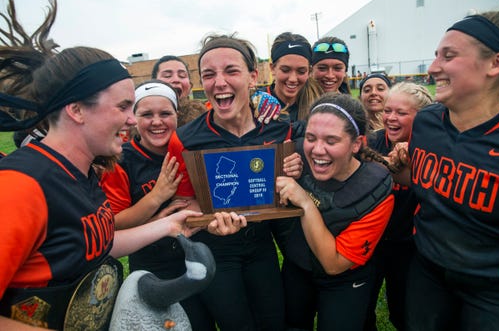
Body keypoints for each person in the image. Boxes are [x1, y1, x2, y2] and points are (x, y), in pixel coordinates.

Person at [0, 0, 243, 330]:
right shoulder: (20, 186)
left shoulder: (82, 173)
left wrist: (168, 226)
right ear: (76, 109)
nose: (133, 119)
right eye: (124, 107)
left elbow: (95, 244)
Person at [389, 11, 499, 330]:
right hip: (428, 270)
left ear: (496, 64)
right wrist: (400, 172)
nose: (433, 68)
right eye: (436, 56)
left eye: (449, 56)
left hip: (497, 291)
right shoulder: (428, 122)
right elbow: (427, 187)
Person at [167, 33, 303, 331]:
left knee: (273, 323)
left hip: (261, 248)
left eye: (231, 71)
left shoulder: (279, 128)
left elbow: (288, 183)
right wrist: (206, 220)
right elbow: (184, 202)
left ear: (253, 76)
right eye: (209, 74)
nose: (219, 82)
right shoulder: (185, 139)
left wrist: (295, 169)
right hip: (215, 250)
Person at [100, 79, 216, 331]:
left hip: (201, 253)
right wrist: (157, 196)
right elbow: (113, 224)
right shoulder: (122, 159)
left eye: (165, 113)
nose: (156, 121)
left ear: (177, 115)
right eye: (146, 114)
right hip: (154, 266)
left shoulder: (191, 146)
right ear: (133, 118)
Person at [275, 93, 395, 331]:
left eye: (331, 141)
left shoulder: (375, 191)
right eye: (311, 138)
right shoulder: (296, 156)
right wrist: (282, 168)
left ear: (357, 144)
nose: (317, 150)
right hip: (298, 268)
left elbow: (334, 264)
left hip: (345, 280)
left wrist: (306, 202)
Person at [364, 82, 434, 331]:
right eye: (387, 110)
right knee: (361, 310)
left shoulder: (431, 149)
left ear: (422, 116)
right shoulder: (371, 142)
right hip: (371, 242)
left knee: (404, 311)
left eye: (401, 113)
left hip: (410, 246)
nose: (391, 118)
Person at [259, 32, 322, 123]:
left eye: (301, 71)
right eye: (285, 70)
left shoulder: (318, 106)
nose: (293, 79)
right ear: (272, 68)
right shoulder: (257, 103)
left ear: (309, 72)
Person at [151, 55, 208, 126]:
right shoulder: (139, 119)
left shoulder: (205, 118)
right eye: (167, 75)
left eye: (182, 75)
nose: (176, 79)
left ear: (190, 85)